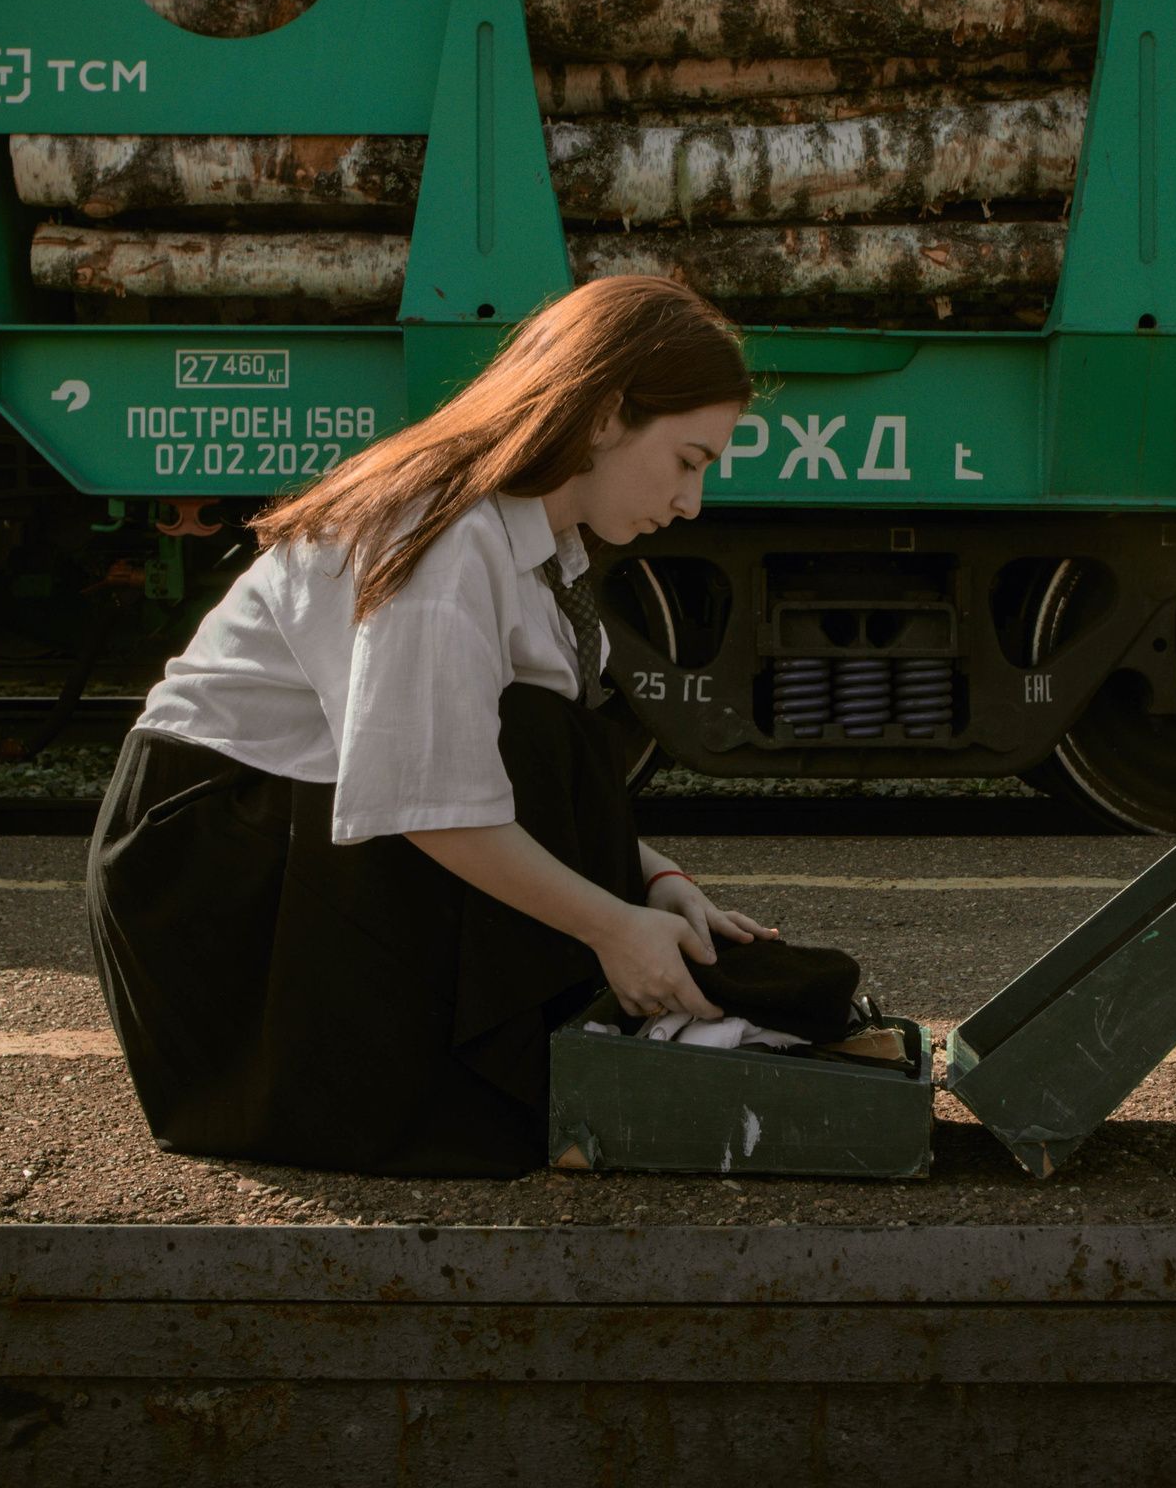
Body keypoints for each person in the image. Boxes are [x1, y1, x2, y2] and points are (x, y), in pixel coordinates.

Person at [87, 276, 771, 1178]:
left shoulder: (528, 543)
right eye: (690, 461)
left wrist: (655, 881)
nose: (692, 503)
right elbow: (427, 795)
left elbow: (506, 765)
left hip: (291, 827)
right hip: (213, 875)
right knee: (538, 732)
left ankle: (544, 1050)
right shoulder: (442, 532)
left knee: (545, 730)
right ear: (606, 415)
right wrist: (609, 925)